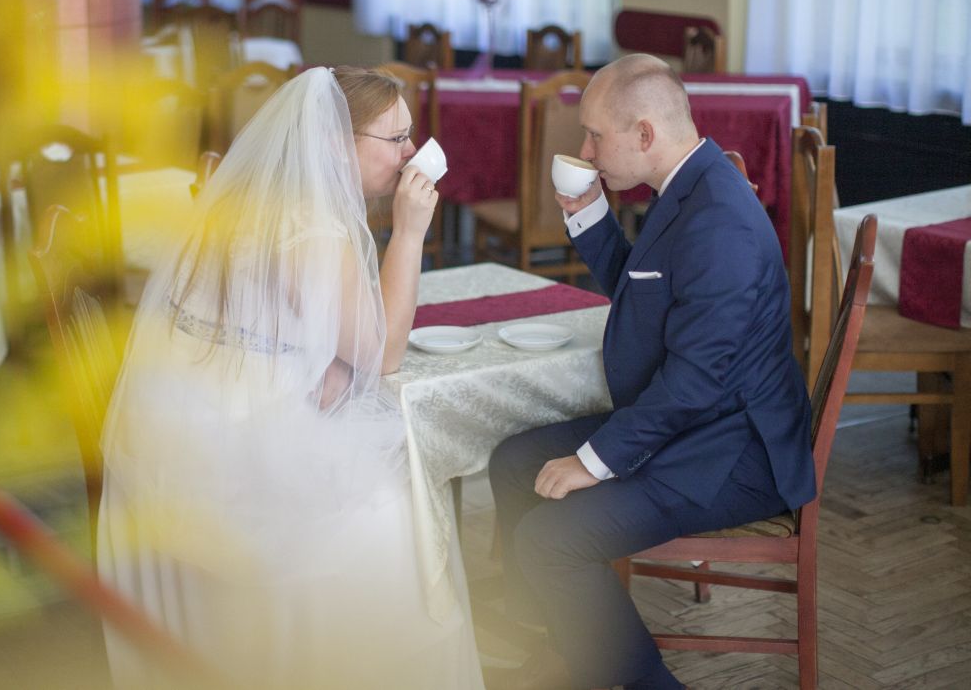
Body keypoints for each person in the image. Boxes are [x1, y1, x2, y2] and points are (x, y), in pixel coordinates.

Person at [96, 67, 485, 689]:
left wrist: (326, 358)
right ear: (334, 143)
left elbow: (282, 324)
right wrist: (410, 232)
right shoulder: (310, 226)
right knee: (393, 509)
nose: (412, 152)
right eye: (395, 138)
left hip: (171, 431)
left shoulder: (258, 197)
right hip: (223, 458)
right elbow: (384, 352)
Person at [486, 55, 815, 690]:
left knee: (550, 539)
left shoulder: (718, 219)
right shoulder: (688, 184)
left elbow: (694, 383)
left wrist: (594, 462)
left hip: (733, 451)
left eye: (594, 135)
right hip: (700, 422)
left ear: (644, 133)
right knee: (515, 462)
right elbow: (647, 293)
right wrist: (588, 213)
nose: (585, 150)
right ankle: (567, 644)